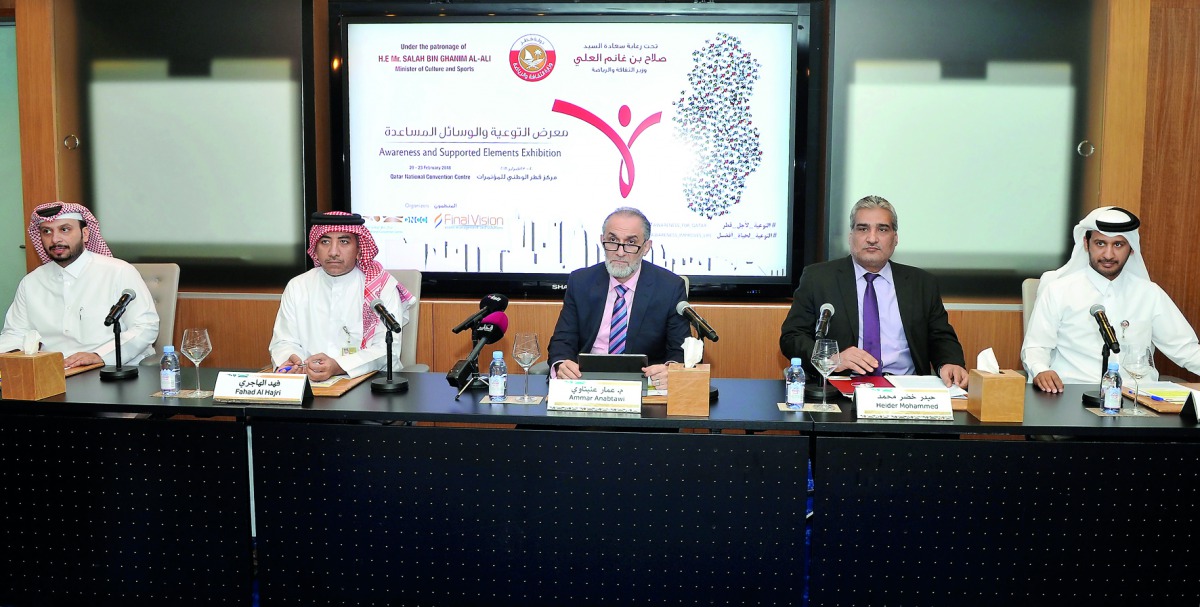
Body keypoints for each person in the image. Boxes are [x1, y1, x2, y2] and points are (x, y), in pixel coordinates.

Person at [779, 195, 969, 387]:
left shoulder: (921, 283)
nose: (872, 238)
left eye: (882, 229)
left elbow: (941, 337)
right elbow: (792, 337)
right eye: (863, 229)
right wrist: (832, 359)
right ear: (850, 236)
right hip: (842, 389)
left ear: (895, 238)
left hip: (907, 391)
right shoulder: (818, 279)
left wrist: (949, 363)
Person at [1021, 206, 1200, 392]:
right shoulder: (1058, 290)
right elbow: (1036, 347)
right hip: (1073, 394)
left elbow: (1185, 349)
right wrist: (1041, 371)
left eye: (1118, 245)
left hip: (1138, 400)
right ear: (1086, 243)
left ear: (1131, 249)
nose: (1108, 255)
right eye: (1100, 244)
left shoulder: (1149, 293)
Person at [0, 202, 159, 367]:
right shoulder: (31, 282)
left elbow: (146, 327)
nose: (55, 239)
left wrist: (99, 356)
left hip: (112, 369)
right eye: (47, 231)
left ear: (85, 234)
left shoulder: (118, 272)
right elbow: (16, 333)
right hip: (55, 375)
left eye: (65, 229)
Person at [547, 207, 691, 389]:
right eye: (613, 241)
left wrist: (671, 370)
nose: (620, 252)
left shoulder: (669, 287)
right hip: (586, 384)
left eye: (631, 243)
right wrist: (561, 364)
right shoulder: (581, 281)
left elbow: (681, 349)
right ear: (602, 241)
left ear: (646, 247)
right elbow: (563, 340)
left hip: (644, 386)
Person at [270, 212, 416, 382]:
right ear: (315, 249)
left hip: (368, 383)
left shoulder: (381, 287)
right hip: (308, 383)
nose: (333, 252)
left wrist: (338, 366)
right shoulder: (298, 286)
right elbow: (284, 341)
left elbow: (385, 350)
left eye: (344, 242)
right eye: (325, 242)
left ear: (359, 249)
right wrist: (293, 362)